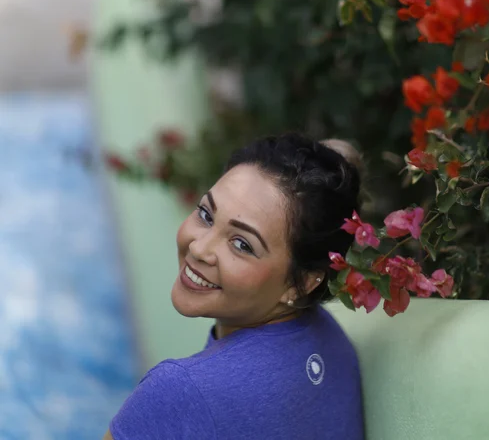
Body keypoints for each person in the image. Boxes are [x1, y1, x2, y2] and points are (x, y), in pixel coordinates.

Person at [105, 132, 366, 439]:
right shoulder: (329, 339)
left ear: (304, 282)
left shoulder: (182, 391)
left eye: (242, 244)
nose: (199, 248)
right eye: (206, 215)